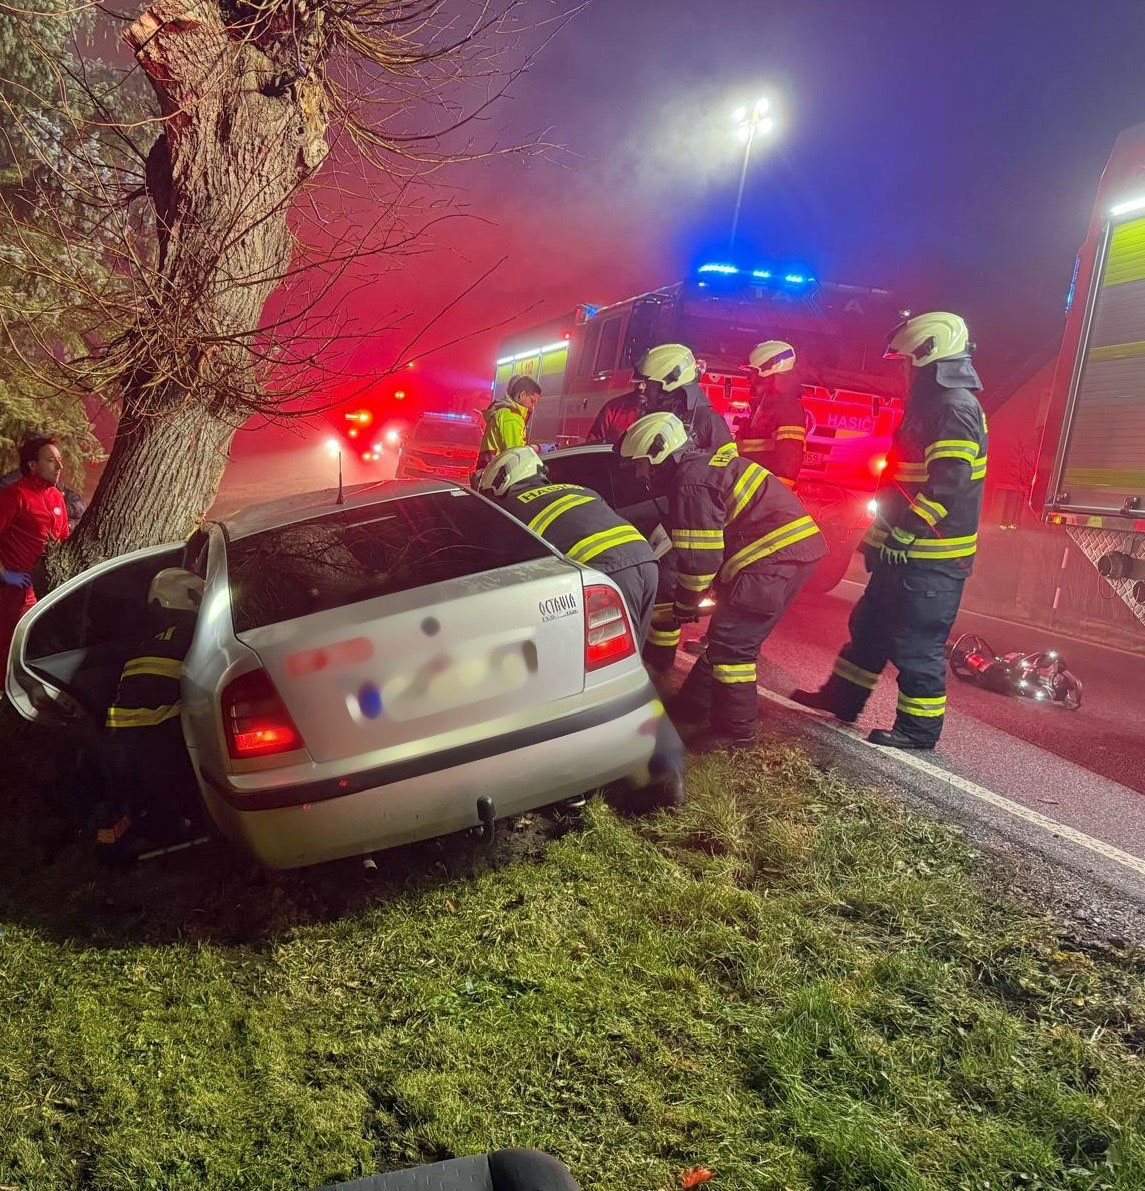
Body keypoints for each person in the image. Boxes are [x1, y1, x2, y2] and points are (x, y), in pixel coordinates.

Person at [790, 312, 988, 750]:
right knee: (872, 628)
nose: (902, 370)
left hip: (931, 559)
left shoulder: (955, 407)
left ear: (928, 355)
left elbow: (949, 483)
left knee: (917, 644)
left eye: (906, 361)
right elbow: (902, 482)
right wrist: (880, 539)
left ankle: (918, 732)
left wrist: (908, 532)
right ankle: (842, 700)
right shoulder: (934, 405)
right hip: (907, 553)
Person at [620, 411, 826, 751]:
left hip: (772, 557)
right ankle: (694, 705)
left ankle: (736, 733)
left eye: (642, 465)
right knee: (727, 634)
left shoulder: (690, 482)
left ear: (659, 456)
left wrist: (686, 602)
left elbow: (701, 559)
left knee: (733, 645)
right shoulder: (700, 467)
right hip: (783, 553)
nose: (641, 475)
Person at [477, 446, 659, 647]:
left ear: (499, 482)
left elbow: (499, 566)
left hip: (607, 571)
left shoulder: (510, 508)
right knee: (631, 651)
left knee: (610, 656)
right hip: (646, 558)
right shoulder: (579, 489)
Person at [94, 567, 204, 861]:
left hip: (117, 740)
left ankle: (130, 833)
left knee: (139, 801)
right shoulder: (192, 630)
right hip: (150, 741)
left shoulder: (151, 638)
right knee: (171, 802)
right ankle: (173, 832)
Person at [0, 435, 70, 667]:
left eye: (59, 460)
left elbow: (63, 542)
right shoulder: (14, 496)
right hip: (9, 594)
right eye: (51, 460)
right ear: (32, 465)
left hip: (43, 593)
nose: (59, 466)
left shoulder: (57, 498)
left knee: (29, 655)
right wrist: (4, 574)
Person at [586, 344, 734, 453]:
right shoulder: (650, 416)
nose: (644, 388)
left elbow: (725, 472)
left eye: (650, 384)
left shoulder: (708, 421)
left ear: (668, 385)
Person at [735, 340, 808, 488]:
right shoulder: (767, 405)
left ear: (768, 373)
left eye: (753, 373)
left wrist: (774, 499)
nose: (749, 379)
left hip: (762, 494)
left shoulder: (787, 408)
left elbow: (789, 458)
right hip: (750, 488)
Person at [476, 375, 543, 472]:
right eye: (532, 401)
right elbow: (516, 455)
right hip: (496, 476)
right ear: (522, 395)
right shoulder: (511, 418)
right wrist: (537, 449)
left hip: (489, 474)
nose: (533, 406)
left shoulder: (505, 413)